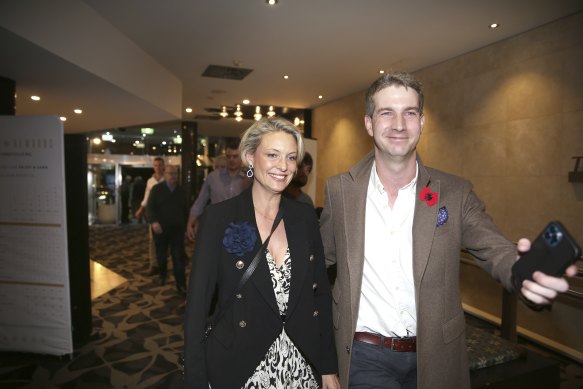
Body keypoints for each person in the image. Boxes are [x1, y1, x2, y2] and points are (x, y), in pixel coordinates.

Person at [319, 72, 578, 389]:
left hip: (437, 356)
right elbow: (317, 263)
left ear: (422, 122)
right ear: (369, 124)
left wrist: (526, 275)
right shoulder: (340, 191)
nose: (399, 124)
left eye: (410, 113)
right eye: (387, 112)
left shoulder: (454, 194)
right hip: (364, 355)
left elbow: (495, 249)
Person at [184, 117, 339, 389]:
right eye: (272, 155)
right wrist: (196, 381)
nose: (283, 166)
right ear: (250, 157)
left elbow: (321, 296)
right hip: (241, 364)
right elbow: (197, 308)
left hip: (300, 364)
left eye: (291, 157)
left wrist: (327, 366)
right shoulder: (219, 218)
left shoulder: (304, 216)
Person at [186, 140, 252, 241]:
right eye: (228, 156)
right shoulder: (213, 177)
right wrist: (190, 222)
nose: (231, 159)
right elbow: (200, 201)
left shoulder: (249, 178)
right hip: (217, 227)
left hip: (242, 227)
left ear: (242, 157)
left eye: (235, 156)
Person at [146, 165, 188, 295]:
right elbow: (150, 208)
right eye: (170, 173)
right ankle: (162, 276)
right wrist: (154, 222)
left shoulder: (182, 191)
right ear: (164, 174)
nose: (173, 176)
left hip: (177, 230)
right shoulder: (157, 189)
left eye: (175, 174)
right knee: (161, 256)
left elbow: (187, 210)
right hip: (160, 230)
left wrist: (187, 226)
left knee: (178, 258)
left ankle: (180, 284)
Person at [135, 157, 165, 275]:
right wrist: (140, 209)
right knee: (152, 240)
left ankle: (162, 264)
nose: (158, 167)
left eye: (160, 165)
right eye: (156, 165)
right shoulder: (150, 181)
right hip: (154, 215)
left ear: (163, 166)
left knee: (164, 241)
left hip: (166, 215)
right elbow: (146, 197)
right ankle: (154, 265)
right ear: (153, 167)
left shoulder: (167, 180)